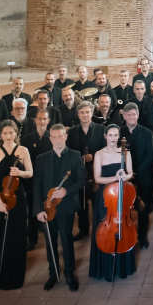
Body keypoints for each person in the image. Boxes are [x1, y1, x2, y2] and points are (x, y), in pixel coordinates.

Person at [33, 123, 85, 292]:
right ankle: (53, 274)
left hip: (66, 207)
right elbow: (37, 184)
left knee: (67, 241)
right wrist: (38, 210)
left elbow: (82, 180)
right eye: (54, 137)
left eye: (60, 136)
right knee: (50, 242)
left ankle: (70, 274)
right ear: (50, 139)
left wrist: (66, 191)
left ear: (65, 137)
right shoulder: (42, 159)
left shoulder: (75, 156)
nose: (57, 140)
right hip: (47, 207)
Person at [0, 120, 33, 290]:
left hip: (18, 198)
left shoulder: (23, 150)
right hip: (0, 198)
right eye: (5, 133)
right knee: (0, 235)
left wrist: (20, 172)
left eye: (11, 133)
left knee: (17, 235)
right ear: (0, 135)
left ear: (16, 133)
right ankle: (0, 276)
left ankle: (15, 276)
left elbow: (30, 172)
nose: (8, 136)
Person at [89, 123, 138, 281]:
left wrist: (125, 177)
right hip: (105, 199)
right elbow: (97, 178)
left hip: (121, 196)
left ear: (119, 136)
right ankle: (106, 268)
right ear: (105, 136)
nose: (113, 138)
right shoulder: (99, 154)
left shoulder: (125, 153)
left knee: (123, 228)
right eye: (110, 135)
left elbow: (130, 173)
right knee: (105, 231)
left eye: (115, 135)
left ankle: (121, 268)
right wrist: (114, 178)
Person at [119, 104, 153, 248]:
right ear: (124, 116)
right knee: (124, 207)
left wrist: (135, 172)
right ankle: (127, 234)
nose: (131, 117)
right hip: (124, 176)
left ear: (138, 115)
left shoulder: (147, 133)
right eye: (128, 114)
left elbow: (150, 155)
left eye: (133, 114)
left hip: (142, 175)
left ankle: (142, 236)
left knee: (142, 207)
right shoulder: (119, 132)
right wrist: (127, 172)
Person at [67, 101, 104, 238]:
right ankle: (83, 229)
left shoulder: (101, 129)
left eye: (87, 112)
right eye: (82, 112)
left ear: (92, 113)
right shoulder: (72, 132)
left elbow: (105, 149)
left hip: (96, 170)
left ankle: (99, 227)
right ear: (78, 114)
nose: (85, 115)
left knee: (97, 200)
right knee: (82, 201)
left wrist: (93, 156)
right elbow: (69, 151)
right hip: (79, 171)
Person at [23, 106, 53, 251]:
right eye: (39, 119)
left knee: (49, 208)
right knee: (32, 210)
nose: (42, 121)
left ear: (48, 120)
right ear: (35, 120)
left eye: (44, 119)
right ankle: (32, 239)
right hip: (32, 181)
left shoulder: (53, 138)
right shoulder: (26, 139)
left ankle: (51, 237)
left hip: (48, 180)